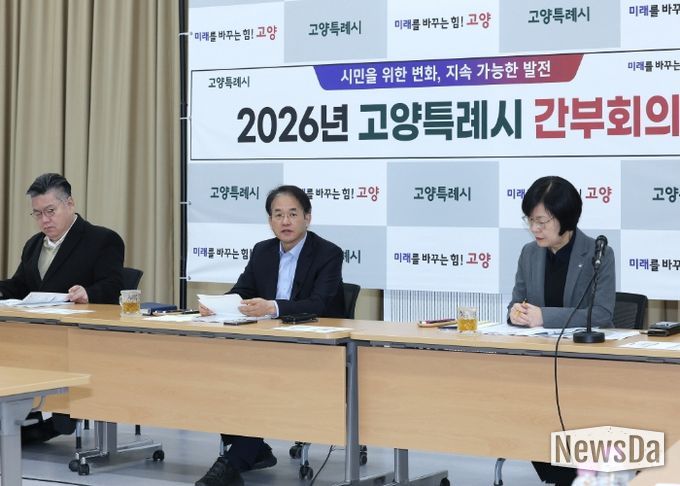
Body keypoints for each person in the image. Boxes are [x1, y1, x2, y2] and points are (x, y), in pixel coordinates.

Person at [195, 184, 345, 486]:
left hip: (314, 346)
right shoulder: (263, 251)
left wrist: (273, 307)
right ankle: (254, 450)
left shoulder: (328, 253)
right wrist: (217, 305)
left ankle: (233, 462)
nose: (285, 221)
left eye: (292, 214)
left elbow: (320, 303)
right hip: (266, 343)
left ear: (307, 217)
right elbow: (243, 290)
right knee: (225, 372)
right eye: (278, 215)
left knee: (259, 379)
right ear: (270, 220)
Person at [0, 172, 125, 444]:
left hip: (81, 340)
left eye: (50, 211)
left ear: (70, 204)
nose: (44, 220)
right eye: (37, 214)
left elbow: (114, 285)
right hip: (37, 336)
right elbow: (20, 286)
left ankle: (54, 418)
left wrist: (88, 293)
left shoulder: (102, 239)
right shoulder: (34, 245)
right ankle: (22, 416)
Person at [507, 175, 615, 485]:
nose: (534, 229)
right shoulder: (529, 253)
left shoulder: (598, 254)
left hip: (584, 366)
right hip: (540, 364)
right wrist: (516, 312)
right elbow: (517, 302)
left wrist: (543, 316)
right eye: (530, 221)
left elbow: (602, 313)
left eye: (541, 221)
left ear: (565, 218)